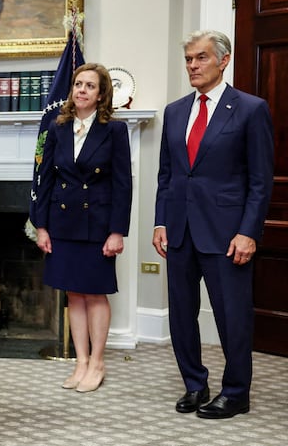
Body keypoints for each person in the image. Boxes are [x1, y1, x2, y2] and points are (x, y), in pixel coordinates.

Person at [153, 30, 273, 419]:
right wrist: (160, 221)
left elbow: (260, 180)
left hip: (227, 233)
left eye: (201, 57)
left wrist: (249, 231)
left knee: (233, 317)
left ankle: (236, 392)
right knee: (181, 314)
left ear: (224, 60)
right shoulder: (174, 111)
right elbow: (167, 175)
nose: (192, 65)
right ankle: (194, 384)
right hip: (179, 231)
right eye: (189, 59)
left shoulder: (250, 109)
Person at [30, 63, 132, 393]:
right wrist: (41, 226)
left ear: (101, 94)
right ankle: (81, 362)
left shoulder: (114, 130)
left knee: (95, 293)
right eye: (78, 84)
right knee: (73, 293)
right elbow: (44, 179)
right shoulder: (57, 127)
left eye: (90, 85)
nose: (82, 90)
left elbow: (123, 184)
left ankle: (98, 362)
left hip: (98, 225)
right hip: (62, 223)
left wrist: (117, 231)